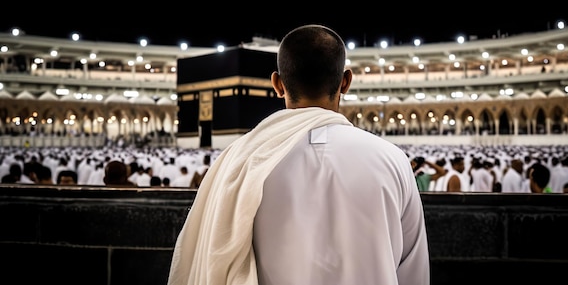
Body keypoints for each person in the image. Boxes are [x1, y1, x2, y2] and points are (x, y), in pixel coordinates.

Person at [167, 24, 430, 285]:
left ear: (278, 84)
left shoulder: (241, 162)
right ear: (346, 82)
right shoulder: (393, 160)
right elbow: (414, 274)